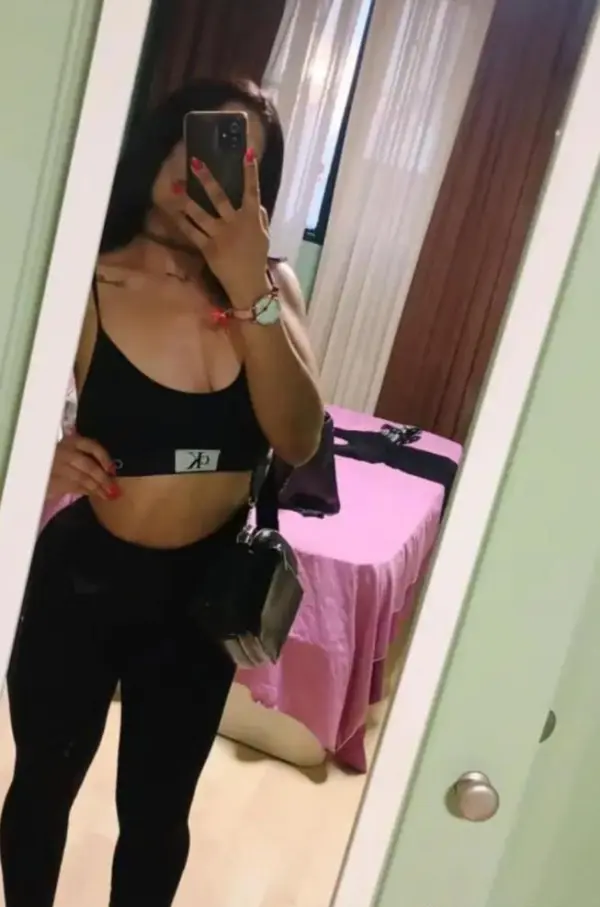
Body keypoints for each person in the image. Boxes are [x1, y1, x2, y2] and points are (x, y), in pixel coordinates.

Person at [0, 79, 323, 907]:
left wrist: (249, 290)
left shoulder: (273, 290)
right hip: (84, 582)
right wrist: (36, 455)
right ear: (157, 147)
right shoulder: (88, 273)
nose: (204, 171)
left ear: (257, 189)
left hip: (202, 602)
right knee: (42, 788)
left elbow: (298, 438)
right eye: (198, 140)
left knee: (156, 816)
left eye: (235, 159)